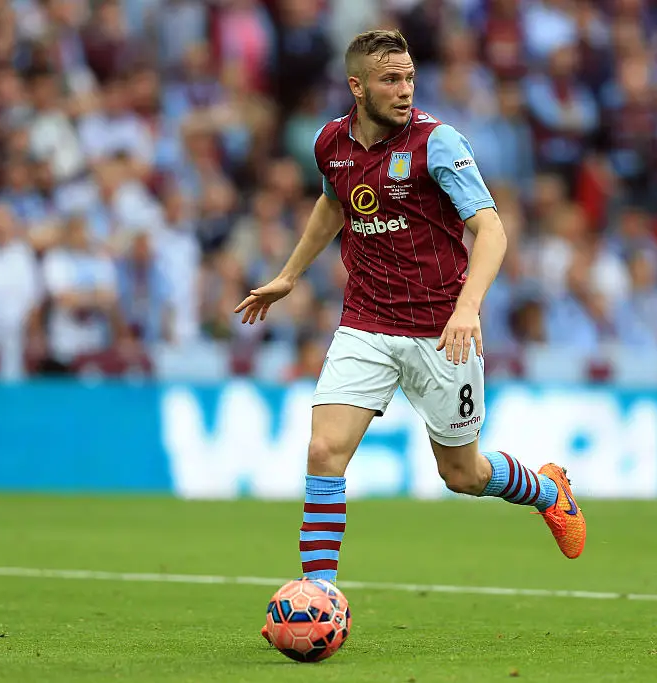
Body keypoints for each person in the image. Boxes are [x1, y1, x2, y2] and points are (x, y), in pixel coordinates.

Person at [235, 31, 586, 641]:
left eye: (409, 78)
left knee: (464, 474)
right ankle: (319, 593)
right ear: (357, 87)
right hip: (366, 322)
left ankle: (546, 489)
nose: (404, 90)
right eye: (390, 80)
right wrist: (289, 275)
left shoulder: (437, 143)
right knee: (323, 452)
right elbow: (333, 204)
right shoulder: (331, 144)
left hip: (441, 330)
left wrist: (469, 307)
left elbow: (492, 230)